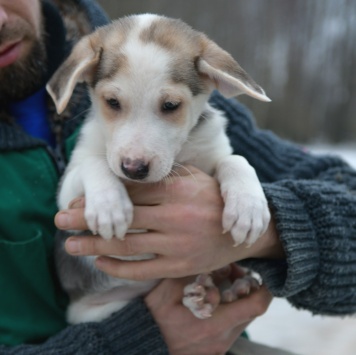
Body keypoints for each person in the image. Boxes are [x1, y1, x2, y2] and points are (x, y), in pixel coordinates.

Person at [0, 0, 355, 354]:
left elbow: (341, 195)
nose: (133, 157)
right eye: (114, 103)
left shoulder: (176, 72)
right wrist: (148, 337)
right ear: (83, 82)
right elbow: (73, 191)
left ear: (213, 81)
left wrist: (271, 232)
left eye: (169, 107)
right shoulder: (100, 87)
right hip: (101, 312)